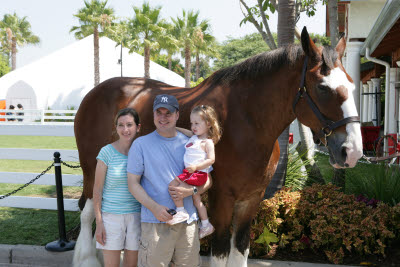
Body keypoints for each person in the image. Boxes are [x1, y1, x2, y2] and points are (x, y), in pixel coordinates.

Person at [127, 94, 212, 267]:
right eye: (159, 112)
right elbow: (132, 183)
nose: (163, 117)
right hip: (155, 222)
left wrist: (192, 191)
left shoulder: (192, 143)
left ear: (177, 115)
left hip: (187, 223)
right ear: (153, 114)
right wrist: (155, 208)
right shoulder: (140, 144)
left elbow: (208, 179)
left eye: (169, 113)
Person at [93, 108, 142, 267]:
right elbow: (97, 190)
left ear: (138, 127)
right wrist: (99, 223)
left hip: (136, 216)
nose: (125, 129)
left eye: (129, 124)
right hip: (111, 217)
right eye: (121, 125)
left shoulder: (142, 151)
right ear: (116, 128)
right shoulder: (106, 152)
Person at [167, 105, 221, 240]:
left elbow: (211, 159)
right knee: (197, 200)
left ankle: (181, 211)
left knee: (174, 186)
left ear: (208, 124)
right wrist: (174, 128)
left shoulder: (207, 142)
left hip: (197, 174)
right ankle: (206, 224)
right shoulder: (194, 137)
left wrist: (196, 167)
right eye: (192, 123)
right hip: (191, 172)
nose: (193, 126)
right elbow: (186, 132)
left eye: (197, 123)